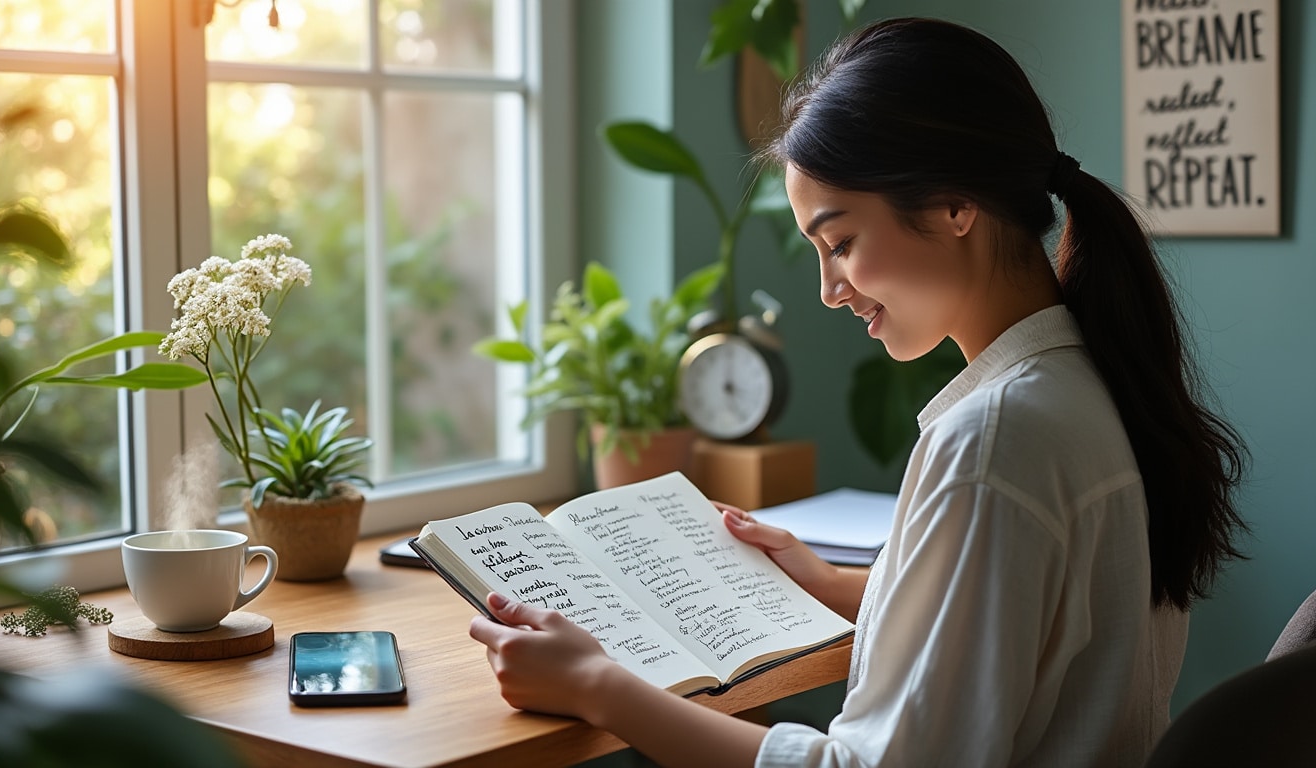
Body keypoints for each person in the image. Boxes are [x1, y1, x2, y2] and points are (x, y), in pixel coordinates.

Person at [468, 16, 1248, 767]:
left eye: (840, 243)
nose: (827, 291)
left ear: (953, 205)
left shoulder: (998, 437)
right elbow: (1030, 615)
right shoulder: (1086, 383)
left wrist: (602, 687)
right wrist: (842, 585)